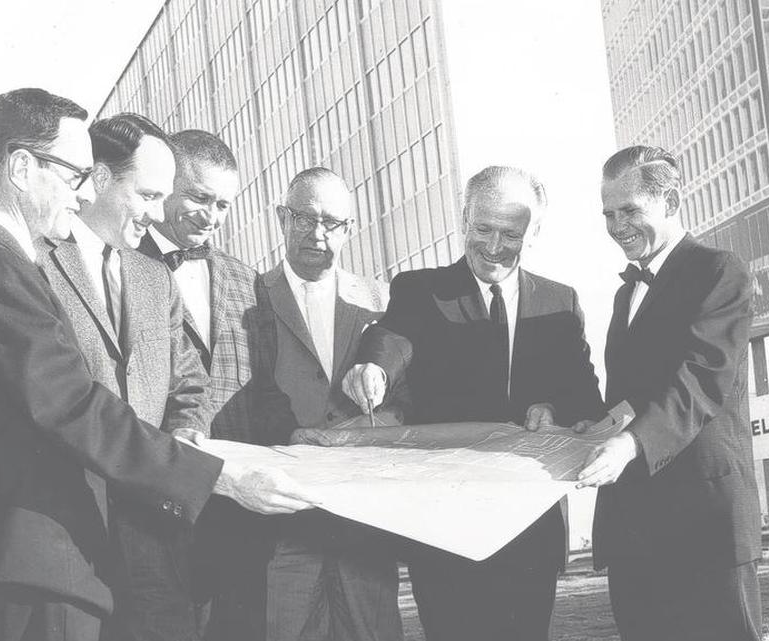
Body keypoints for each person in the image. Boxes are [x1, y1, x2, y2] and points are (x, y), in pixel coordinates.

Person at [0, 87, 314, 641]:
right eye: (74, 174)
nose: (81, 195)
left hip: (80, 563)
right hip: (44, 569)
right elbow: (73, 405)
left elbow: (179, 386)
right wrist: (221, 478)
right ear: (21, 166)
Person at [343, 166, 604, 641]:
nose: (494, 247)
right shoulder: (420, 291)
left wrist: (554, 410)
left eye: (511, 233)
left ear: (535, 232)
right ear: (462, 218)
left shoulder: (560, 302)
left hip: (528, 524)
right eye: (483, 229)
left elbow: (585, 398)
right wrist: (374, 366)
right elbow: (393, 336)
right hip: (445, 525)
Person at [36, 112, 210, 640]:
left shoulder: (156, 278)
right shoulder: (35, 264)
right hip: (71, 543)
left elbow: (188, 384)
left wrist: (183, 434)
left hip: (157, 539)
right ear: (103, 178)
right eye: (149, 196)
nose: (158, 216)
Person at [580, 145, 761, 641]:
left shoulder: (720, 270)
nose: (617, 227)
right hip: (635, 531)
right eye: (609, 214)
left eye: (630, 211)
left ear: (672, 200)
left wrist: (630, 443)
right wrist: (591, 429)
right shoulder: (624, 295)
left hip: (705, 524)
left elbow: (702, 377)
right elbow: (634, 394)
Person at [139, 129, 301, 639]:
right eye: (200, 197)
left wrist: (297, 443)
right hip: (156, 512)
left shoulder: (245, 279)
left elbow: (268, 390)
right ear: (167, 185)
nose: (211, 216)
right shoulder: (120, 264)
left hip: (239, 516)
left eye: (224, 204)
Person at [262, 167, 402, 641]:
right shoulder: (250, 297)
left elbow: (407, 400)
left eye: (332, 224)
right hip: (283, 518)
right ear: (282, 218)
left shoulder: (382, 300)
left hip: (362, 516)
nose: (317, 235)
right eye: (304, 218)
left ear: (350, 228)